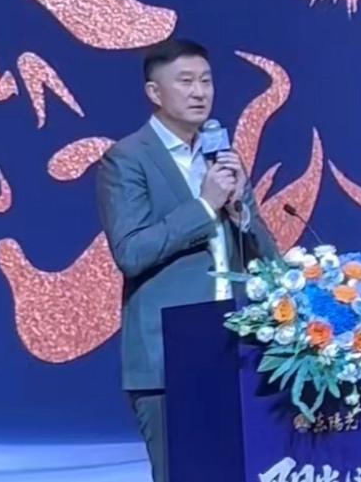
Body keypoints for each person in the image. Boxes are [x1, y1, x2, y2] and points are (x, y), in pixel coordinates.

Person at [95, 38, 279, 482]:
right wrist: (203, 206)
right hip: (168, 356)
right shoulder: (127, 159)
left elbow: (268, 258)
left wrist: (239, 210)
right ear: (154, 92)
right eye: (186, 82)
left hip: (235, 349)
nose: (200, 92)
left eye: (206, 81)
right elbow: (131, 252)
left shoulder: (222, 158)